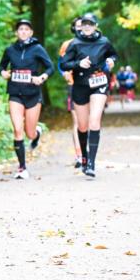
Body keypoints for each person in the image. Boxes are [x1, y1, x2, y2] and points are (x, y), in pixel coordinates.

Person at [59, 13, 119, 178]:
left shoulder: (104, 41)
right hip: (80, 86)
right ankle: (84, 157)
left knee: (95, 120)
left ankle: (91, 163)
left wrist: (111, 61)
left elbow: (113, 54)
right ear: (81, 26)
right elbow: (64, 64)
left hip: (99, 83)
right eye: (84, 24)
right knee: (82, 126)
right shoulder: (75, 43)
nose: (87, 27)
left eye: (90, 24)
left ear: (95, 25)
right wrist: (78, 64)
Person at [0, 19, 53, 179]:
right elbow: (1, 66)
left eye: (26, 29)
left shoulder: (37, 49)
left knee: (29, 133)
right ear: (17, 32)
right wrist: (3, 72)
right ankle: (22, 168)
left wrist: (42, 77)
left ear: (31, 33)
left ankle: (36, 133)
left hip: (33, 94)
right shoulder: (10, 50)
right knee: (17, 129)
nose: (23, 31)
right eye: (20, 29)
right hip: (15, 93)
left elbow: (50, 67)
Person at [58, 18, 83, 169]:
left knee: (89, 121)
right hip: (74, 85)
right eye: (77, 26)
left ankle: (88, 152)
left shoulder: (94, 43)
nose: (80, 28)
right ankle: (79, 156)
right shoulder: (67, 45)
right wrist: (64, 73)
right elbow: (60, 64)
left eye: (83, 25)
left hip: (90, 86)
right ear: (73, 28)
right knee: (77, 122)